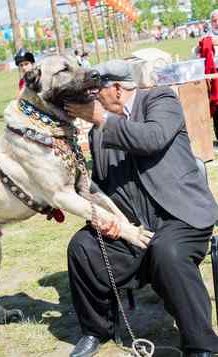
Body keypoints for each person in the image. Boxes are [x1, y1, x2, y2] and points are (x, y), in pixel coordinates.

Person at [65, 59, 218, 357]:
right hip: (132, 226)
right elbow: (102, 183)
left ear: (118, 89)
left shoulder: (160, 100)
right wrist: (104, 217)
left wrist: (101, 119)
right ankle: (95, 331)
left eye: (97, 92)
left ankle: (201, 345)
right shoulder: (99, 131)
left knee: (168, 251)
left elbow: (152, 139)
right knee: (81, 247)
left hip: (179, 216)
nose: (92, 99)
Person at [196, 10, 218, 140]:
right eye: (214, 21)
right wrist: (200, 46)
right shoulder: (207, 37)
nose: (217, 23)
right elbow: (197, 52)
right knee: (216, 105)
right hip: (214, 74)